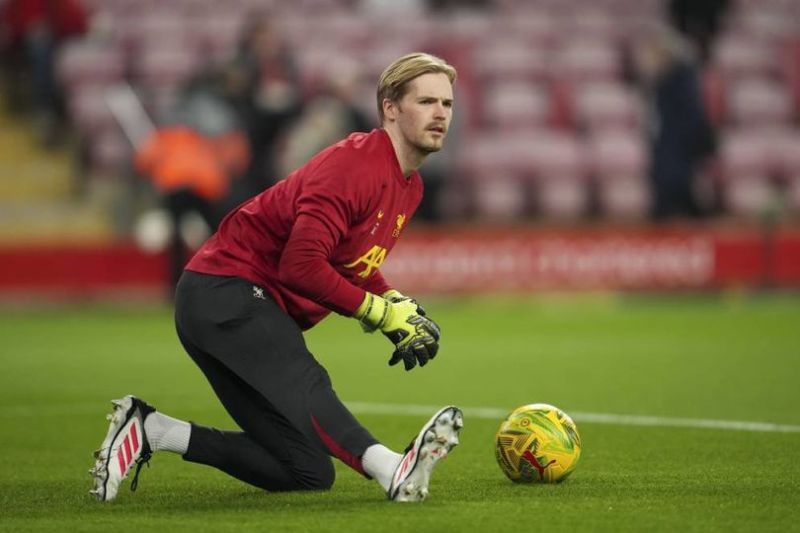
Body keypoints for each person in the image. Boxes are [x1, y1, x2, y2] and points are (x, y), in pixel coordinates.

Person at [89, 53, 463, 503]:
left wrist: (394, 302)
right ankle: (391, 468)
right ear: (390, 108)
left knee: (303, 467)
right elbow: (301, 264)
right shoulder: (354, 165)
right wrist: (379, 312)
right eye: (426, 101)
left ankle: (151, 430)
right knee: (306, 381)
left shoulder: (410, 184)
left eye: (446, 103)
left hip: (231, 303)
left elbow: (350, 259)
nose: (440, 113)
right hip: (225, 289)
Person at [632, 26, 717, 220]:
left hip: (677, 153)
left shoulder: (679, 81)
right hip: (667, 153)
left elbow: (691, 118)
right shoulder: (661, 83)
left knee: (678, 198)